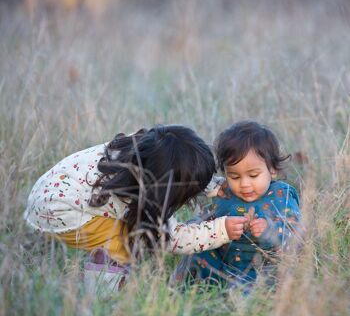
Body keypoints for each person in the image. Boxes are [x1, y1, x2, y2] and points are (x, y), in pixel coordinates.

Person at [24, 124, 247, 292]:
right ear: (163, 190)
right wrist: (221, 230)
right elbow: (172, 239)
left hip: (48, 189)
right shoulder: (140, 195)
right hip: (59, 213)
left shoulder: (146, 150)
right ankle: (101, 293)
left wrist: (210, 185)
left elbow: (175, 168)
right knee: (123, 245)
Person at [173, 120, 302, 289]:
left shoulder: (279, 195)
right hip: (224, 264)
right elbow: (205, 217)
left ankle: (242, 300)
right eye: (234, 177)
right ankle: (181, 290)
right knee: (196, 255)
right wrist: (195, 227)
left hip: (261, 270)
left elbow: (296, 233)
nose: (244, 184)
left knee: (263, 285)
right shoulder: (226, 194)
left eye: (253, 175)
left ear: (272, 169)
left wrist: (269, 230)